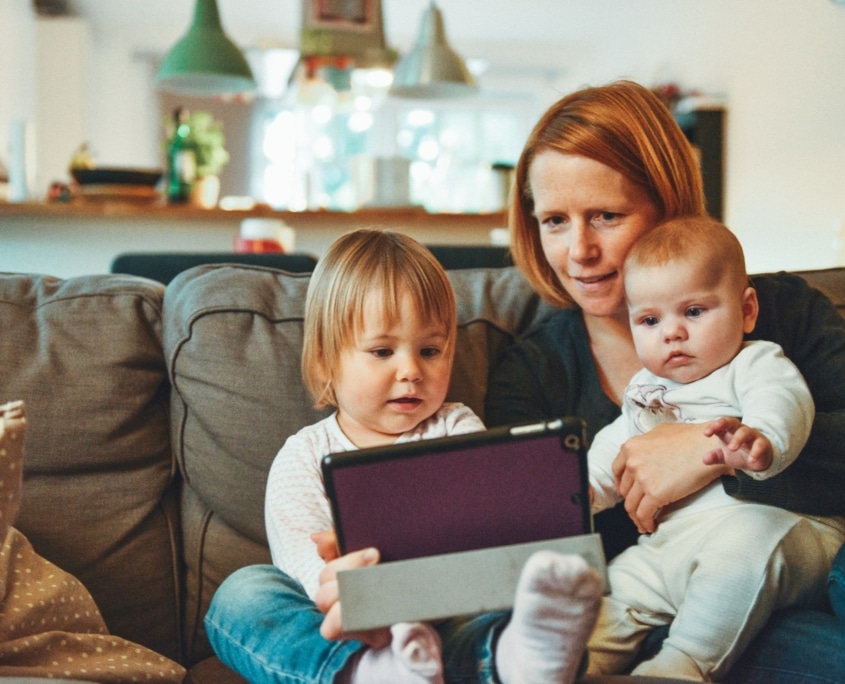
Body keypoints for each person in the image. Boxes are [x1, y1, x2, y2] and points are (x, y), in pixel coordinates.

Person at [485, 79, 845, 681]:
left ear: (667, 205)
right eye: (555, 220)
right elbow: (534, 530)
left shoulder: (780, 313)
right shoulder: (531, 370)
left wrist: (710, 449)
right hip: (630, 604)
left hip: (772, 599)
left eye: (606, 215)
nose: (580, 251)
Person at [204, 228, 602, 684]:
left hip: (449, 617)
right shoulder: (303, 456)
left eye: (430, 350)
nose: (412, 371)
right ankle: (371, 672)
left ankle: (518, 660)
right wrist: (363, 599)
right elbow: (307, 574)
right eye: (382, 351)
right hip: (350, 628)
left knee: (522, 601)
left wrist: (545, 502)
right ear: (323, 362)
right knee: (242, 594)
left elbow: (488, 530)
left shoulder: (456, 427)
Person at [583, 216, 844, 680]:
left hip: (778, 531)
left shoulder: (755, 361)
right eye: (649, 320)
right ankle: (572, 663)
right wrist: (582, 490)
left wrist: (761, 440)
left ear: (746, 311)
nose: (672, 333)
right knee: (615, 587)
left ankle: (680, 666)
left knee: (738, 554)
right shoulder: (646, 387)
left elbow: (783, 401)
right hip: (671, 545)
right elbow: (616, 445)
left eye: (694, 312)